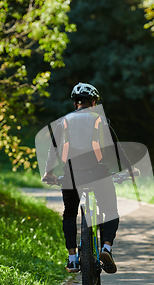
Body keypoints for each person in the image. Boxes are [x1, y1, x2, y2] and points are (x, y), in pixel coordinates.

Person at [42, 82, 132, 274]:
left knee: (69, 213)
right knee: (111, 211)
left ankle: (73, 258)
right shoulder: (101, 121)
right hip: (99, 174)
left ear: (76, 104)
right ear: (93, 103)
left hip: (71, 176)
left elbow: (54, 149)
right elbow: (116, 147)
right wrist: (129, 170)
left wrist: (48, 173)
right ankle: (106, 248)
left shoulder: (63, 122)